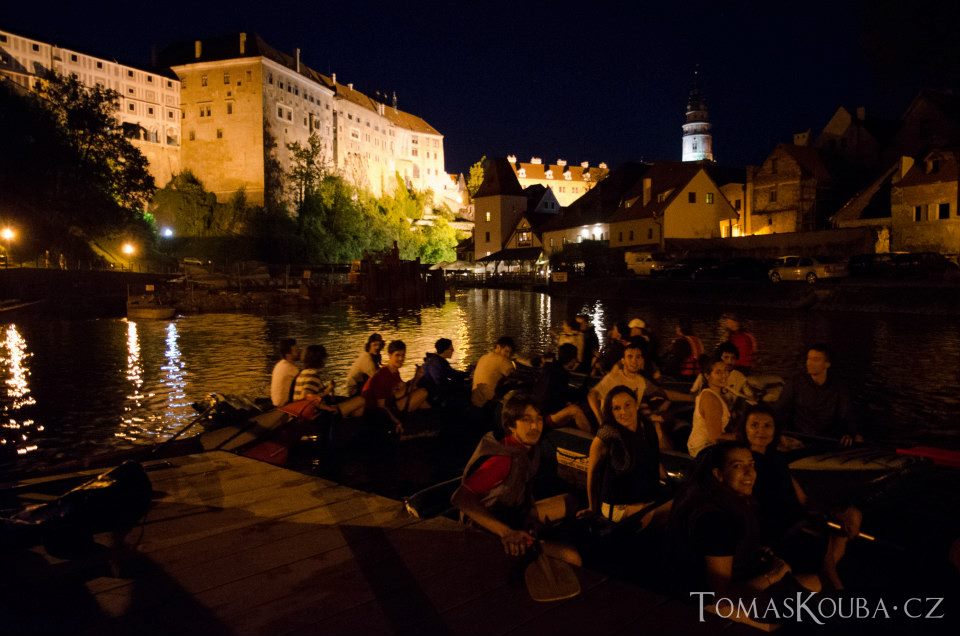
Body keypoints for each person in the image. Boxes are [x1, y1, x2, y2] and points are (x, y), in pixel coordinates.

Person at [667, 442, 845, 603]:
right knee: (814, 586)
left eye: (751, 465)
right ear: (718, 474)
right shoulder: (716, 519)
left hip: (732, 583)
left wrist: (755, 553)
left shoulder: (723, 500)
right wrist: (773, 575)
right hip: (706, 606)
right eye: (737, 466)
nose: (749, 472)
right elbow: (721, 596)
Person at [733, 403, 861, 585]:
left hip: (795, 520)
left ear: (775, 429)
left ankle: (824, 578)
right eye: (754, 425)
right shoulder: (744, 462)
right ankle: (833, 585)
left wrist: (830, 512)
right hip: (772, 527)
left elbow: (801, 497)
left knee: (849, 518)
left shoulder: (777, 459)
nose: (761, 431)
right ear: (744, 428)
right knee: (818, 540)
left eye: (767, 425)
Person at [451, 391, 581, 566]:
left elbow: (550, 421)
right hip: (488, 527)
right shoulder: (501, 459)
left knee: (570, 501)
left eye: (538, 419)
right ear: (511, 425)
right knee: (572, 557)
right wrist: (507, 532)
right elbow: (460, 498)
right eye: (526, 420)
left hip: (514, 511)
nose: (535, 426)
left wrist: (573, 411)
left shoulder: (525, 442)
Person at [578, 386, 669, 526]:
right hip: (619, 505)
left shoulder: (647, 427)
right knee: (670, 513)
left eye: (627, 405)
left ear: (636, 404)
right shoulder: (607, 434)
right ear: (611, 412)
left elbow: (655, 461)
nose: (623, 412)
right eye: (616, 408)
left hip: (645, 498)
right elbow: (592, 472)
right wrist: (592, 507)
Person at [775, 344, 862, 446]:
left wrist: (850, 432)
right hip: (799, 438)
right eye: (808, 359)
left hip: (828, 438)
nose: (809, 363)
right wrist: (780, 434)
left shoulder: (839, 387)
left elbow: (847, 413)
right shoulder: (795, 383)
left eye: (815, 360)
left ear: (827, 364)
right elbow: (781, 410)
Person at [361, 340, 429, 434]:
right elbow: (381, 406)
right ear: (389, 355)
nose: (401, 358)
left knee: (421, 395)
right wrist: (396, 422)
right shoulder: (382, 375)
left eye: (403, 355)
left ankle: (432, 416)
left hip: (394, 404)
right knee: (423, 392)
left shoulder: (395, 372)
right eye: (397, 355)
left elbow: (404, 388)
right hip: (386, 412)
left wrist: (417, 377)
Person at [531, 343, 591, 432]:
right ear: (571, 360)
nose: (576, 361)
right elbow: (563, 396)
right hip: (544, 417)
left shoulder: (548, 368)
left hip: (538, 410)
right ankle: (592, 439)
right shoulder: (560, 374)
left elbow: (559, 394)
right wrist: (583, 391)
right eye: (575, 359)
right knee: (575, 410)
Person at [292, 344, 365, 417]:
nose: (325, 360)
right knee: (361, 400)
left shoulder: (303, 373)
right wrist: (328, 408)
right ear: (318, 359)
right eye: (324, 357)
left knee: (356, 408)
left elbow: (312, 394)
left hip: (309, 414)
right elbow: (306, 396)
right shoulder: (312, 375)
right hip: (318, 416)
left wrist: (328, 389)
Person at [587, 339, 648, 425]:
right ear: (623, 361)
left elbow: (636, 406)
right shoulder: (614, 377)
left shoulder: (641, 382)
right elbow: (592, 395)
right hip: (613, 423)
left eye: (638, 357)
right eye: (630, 357)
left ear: (642, 360)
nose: (634, 361)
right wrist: (601, 421)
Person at [687, 356, 732, 458]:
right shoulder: (710, 398)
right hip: (703, 449)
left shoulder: (719, 394)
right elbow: (715, 437)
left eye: (725, 371)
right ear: (707, 376)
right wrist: (741, 436)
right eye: (718, 372)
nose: (724, 375)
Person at [421, 338, 469, 406]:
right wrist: (469, 374)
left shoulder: (434, 359)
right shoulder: (439, 362)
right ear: (445, 350)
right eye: (451, 349)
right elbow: (453, 374)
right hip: (435, 394)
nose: (453, 350)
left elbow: (451, 373)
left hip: (432, 390)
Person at [471, 336, 516, 408]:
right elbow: (514, 376)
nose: (508, 355)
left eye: (510, 353)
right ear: (498, 347)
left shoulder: (483, 357)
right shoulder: (502, 360)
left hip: (475, 400)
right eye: (506, 351)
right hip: (488, 403)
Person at [270, 338, 300, 407]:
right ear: (288, 354)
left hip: (276, 402)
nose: (298, 352)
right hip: (285, 405)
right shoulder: (291, 369)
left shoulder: (279, 365)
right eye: (296, 351)